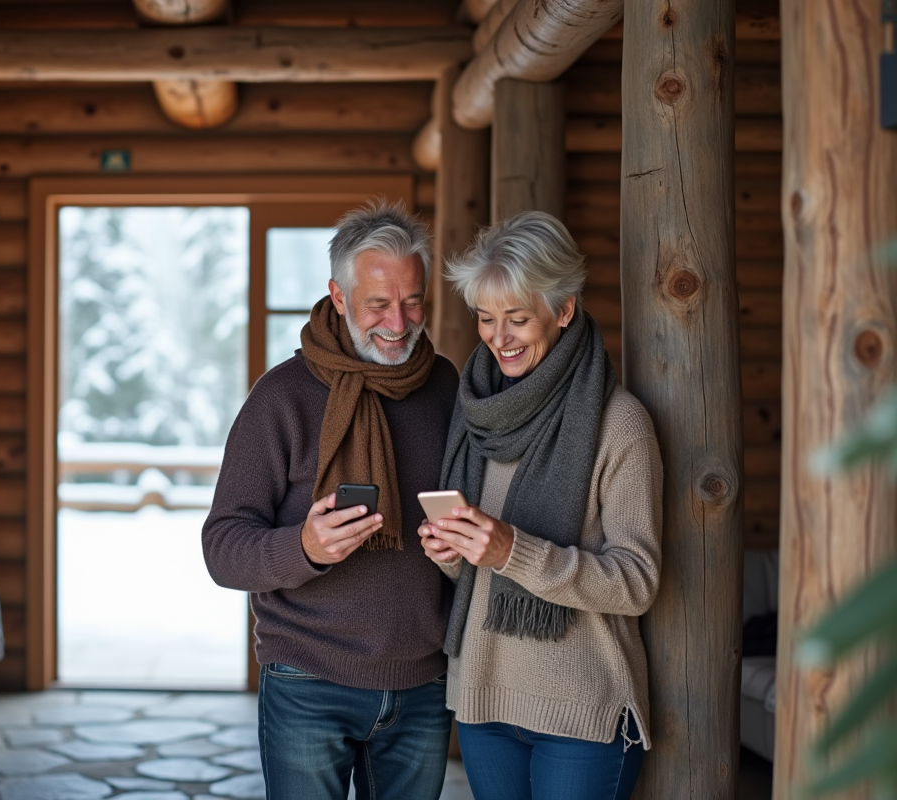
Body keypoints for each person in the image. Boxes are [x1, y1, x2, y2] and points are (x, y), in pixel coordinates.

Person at [203, 201, 460, 800]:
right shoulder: (282, 398)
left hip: (423, 680)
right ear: (338, 297)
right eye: (378, 303)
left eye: (413, 300)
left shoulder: (446, 384)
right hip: (307, 680)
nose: (399, 322)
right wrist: (305, 546)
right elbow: (222, 548)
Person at [418, 211, 663, 800]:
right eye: (485, 318)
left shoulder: (618, 424)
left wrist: (512, 551)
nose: (498, 338)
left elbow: (637, 581)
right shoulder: (475, 410)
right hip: (484, 696)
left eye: (518, 319)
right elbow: (477, 571)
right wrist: (452, 552)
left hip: (582, 709)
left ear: (564, 310)